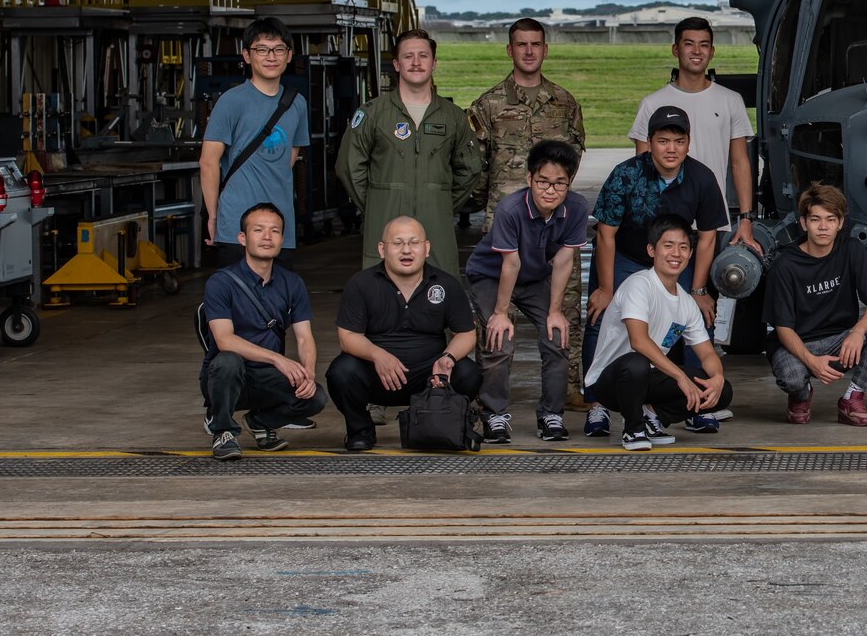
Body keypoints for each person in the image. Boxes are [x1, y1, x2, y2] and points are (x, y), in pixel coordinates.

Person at [467, 17, 588, 405]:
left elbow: (572, 162)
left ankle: (567, 390)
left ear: (545, 49)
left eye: (536, 44)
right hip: (503, 223)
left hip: (554, 229)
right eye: (521, 45)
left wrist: (555, 198)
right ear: (510, 50)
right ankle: (491, 396)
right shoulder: (488, 104)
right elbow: (476, 167)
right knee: (495, 319)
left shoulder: (565, 103)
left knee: (563, 309)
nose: (529, 51)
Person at [461, 139, 590, 444]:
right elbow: (510, 263)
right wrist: (501, 313)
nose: (550, 190)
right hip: (491, 275)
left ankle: (551, 414)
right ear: (529, 178)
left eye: (559, 183)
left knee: (557, 336)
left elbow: (562, 261)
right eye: (543, 181)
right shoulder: (510, 209)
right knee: (499, 340)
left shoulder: (577, 207)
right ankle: (493, 414)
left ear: (569, 182)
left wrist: (555, 311)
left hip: (533, 278)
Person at [585, 106, 728, 371]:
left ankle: (700, 395)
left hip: (673, 259)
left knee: (699, 313)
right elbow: (606, 234)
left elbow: (708, 238)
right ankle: (597, 400)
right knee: (602, 314)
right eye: (663, 141)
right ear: (649, 143)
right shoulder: (625, 174)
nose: (671, 149)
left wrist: (698, 290)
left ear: (688, 144)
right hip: (626, 254)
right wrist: (606, 289)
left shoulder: (703, 178)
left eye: (679, 142)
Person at [334, 29, 484, 277]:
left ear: (434, 63)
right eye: (408, 56)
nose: (416, 62)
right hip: (385, 219)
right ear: (396, 63)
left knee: (439, 293)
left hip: (436, 223)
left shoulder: (453, 117)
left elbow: (470, 169)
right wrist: (377, 202)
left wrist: (439, 200)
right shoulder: (373, 113)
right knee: (381, 294)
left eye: (423, 56)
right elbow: (349, 166)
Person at [326, 216, 482, 452]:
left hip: (429, 377)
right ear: (382, 249)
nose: (406, 250)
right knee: (341, 372)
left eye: (414, 243)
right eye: (397, 243)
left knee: (469, 373)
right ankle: (360, 429)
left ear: (426, 248)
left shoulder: (446, 284)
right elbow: (347, 336)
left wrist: (447, 358)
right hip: (378, 375)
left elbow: (466, 333)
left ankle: (436, 421)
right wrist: (378, 355)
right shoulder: (362, 284)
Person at [579, 214, 733, 450]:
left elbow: (707, 354)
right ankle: (633, 430)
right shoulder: (639, 285)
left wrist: (718, 378)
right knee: (637, 362)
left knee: (720, 391)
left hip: (647, 378)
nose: (676, 254)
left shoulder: (686, 302)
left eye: (683, 247)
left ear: (691, 254)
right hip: (611, 381)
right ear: (652, 250)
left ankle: (652, 417)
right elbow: (639, 341)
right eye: (668, 246)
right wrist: (680, 377)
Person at [765, 182, 867, 426]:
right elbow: (783, 328)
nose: (823, 227)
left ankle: (853, 398)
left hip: (841, 340)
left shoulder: (851, 250)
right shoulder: (785, 265)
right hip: (799, 343)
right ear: (804, 223)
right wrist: (811, 361)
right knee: (792, 376)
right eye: (816, 219)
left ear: (840, 223)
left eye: (830, 219)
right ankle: (800, 396)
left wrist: (857, 332)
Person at [628, 16, 761, 254]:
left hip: (711, 221)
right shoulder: (652, 104)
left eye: (704, 44)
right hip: (664, 223)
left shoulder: (731, 100)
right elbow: (643, 169)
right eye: (689, 43)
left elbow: (740, 162)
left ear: (712, 51)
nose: (697, 50)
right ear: (675, 49)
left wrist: (746, 219)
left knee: (703, 290)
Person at [199, 202, 321, 460]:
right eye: (258, 230)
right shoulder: (221, 282)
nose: (267, 237)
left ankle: (260, 421)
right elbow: (224, 340)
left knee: (316, 397)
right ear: (242, 238)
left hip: (266, 377)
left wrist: (307, 373)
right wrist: (278, 359)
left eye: (275, 231)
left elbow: (304, 336)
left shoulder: (292, 283)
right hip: (228, 377)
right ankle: (222, 430)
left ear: (282, 239)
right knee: (228, 362)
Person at [200, 17, 309, 268]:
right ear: (247, 56)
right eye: (262, 49)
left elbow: (289, 158)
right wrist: (213, 215)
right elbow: (208, 162)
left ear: (289, 55)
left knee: (278, 301)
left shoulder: (297, 104)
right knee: (238, 301)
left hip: (281, 225)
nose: (271, 57)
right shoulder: (231, 101)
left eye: (278, 49)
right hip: (237, 225)